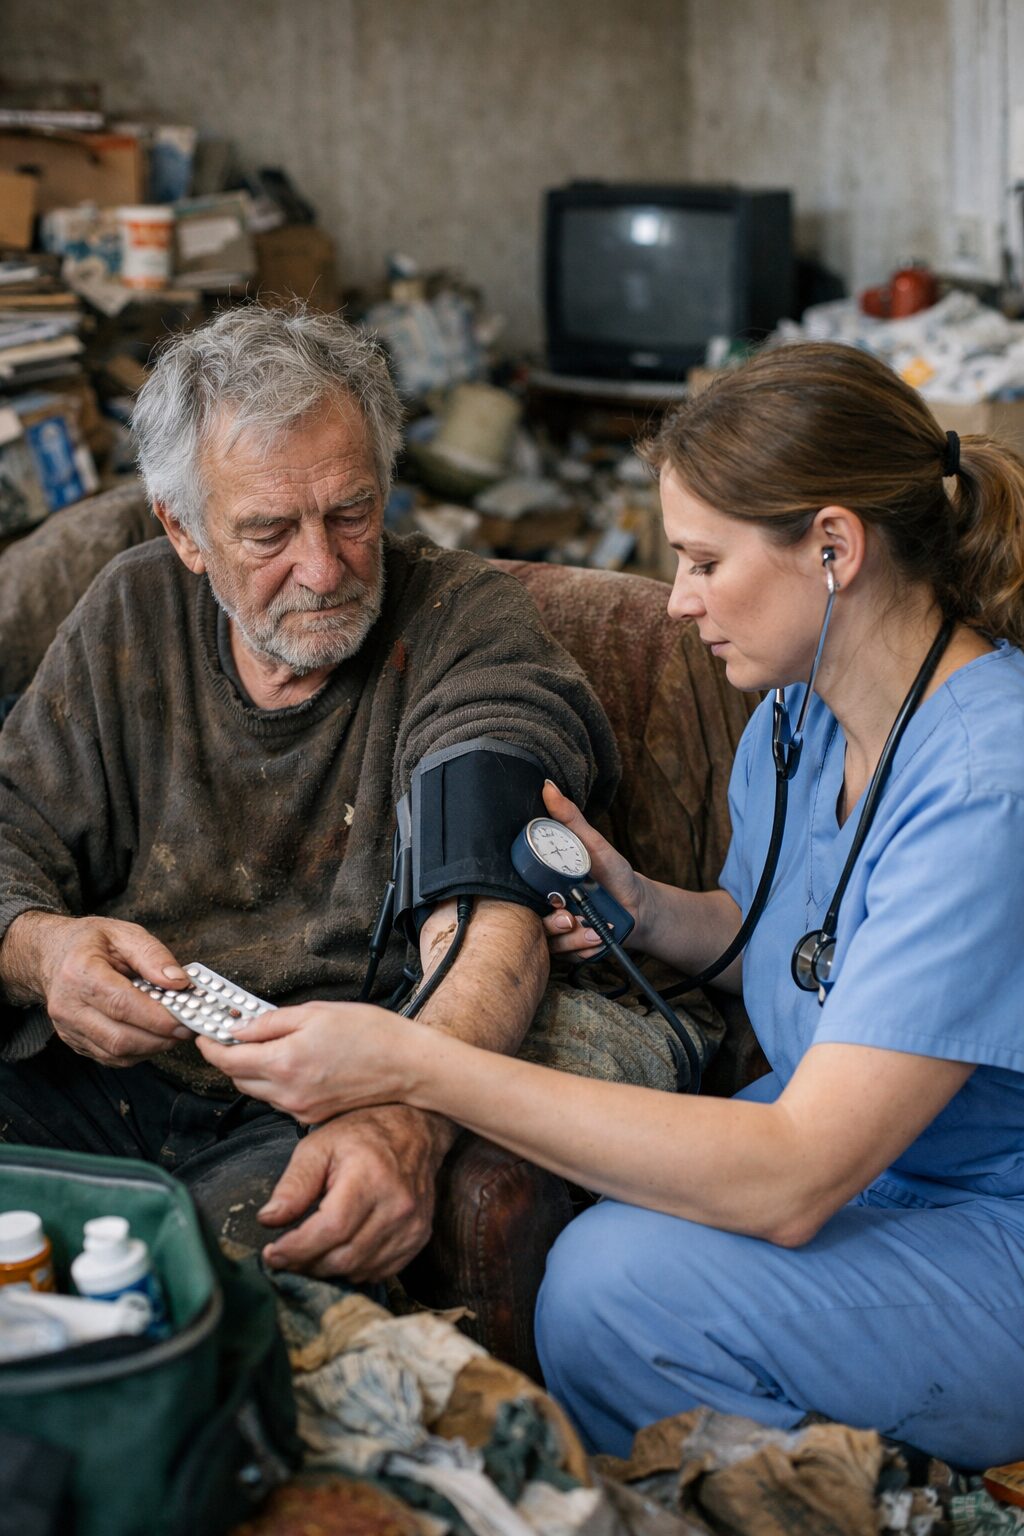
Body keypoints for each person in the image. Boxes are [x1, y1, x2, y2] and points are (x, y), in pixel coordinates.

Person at [194, 341, 1024, 1471]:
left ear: (832, 547)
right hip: (886, 1153)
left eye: (700, 562)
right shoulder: (800, 716)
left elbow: (791, 1175)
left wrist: (410, 1064)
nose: (676, 604)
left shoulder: (987, 784)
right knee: (611, 1226)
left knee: (610, 1293)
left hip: (984, 1206)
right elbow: (797, 945)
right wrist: (649, 909)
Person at [0, 302, 621, 1283]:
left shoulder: (462, 626)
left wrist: (408, 1116)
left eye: (351, 513)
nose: (323, 569)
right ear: (185, 531)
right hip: (101, 1084)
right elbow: (11, 830)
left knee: (215, 1298)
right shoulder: (132, 607)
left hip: (315, 1106)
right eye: (267, 532)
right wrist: (43, 951)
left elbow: (485, 901)